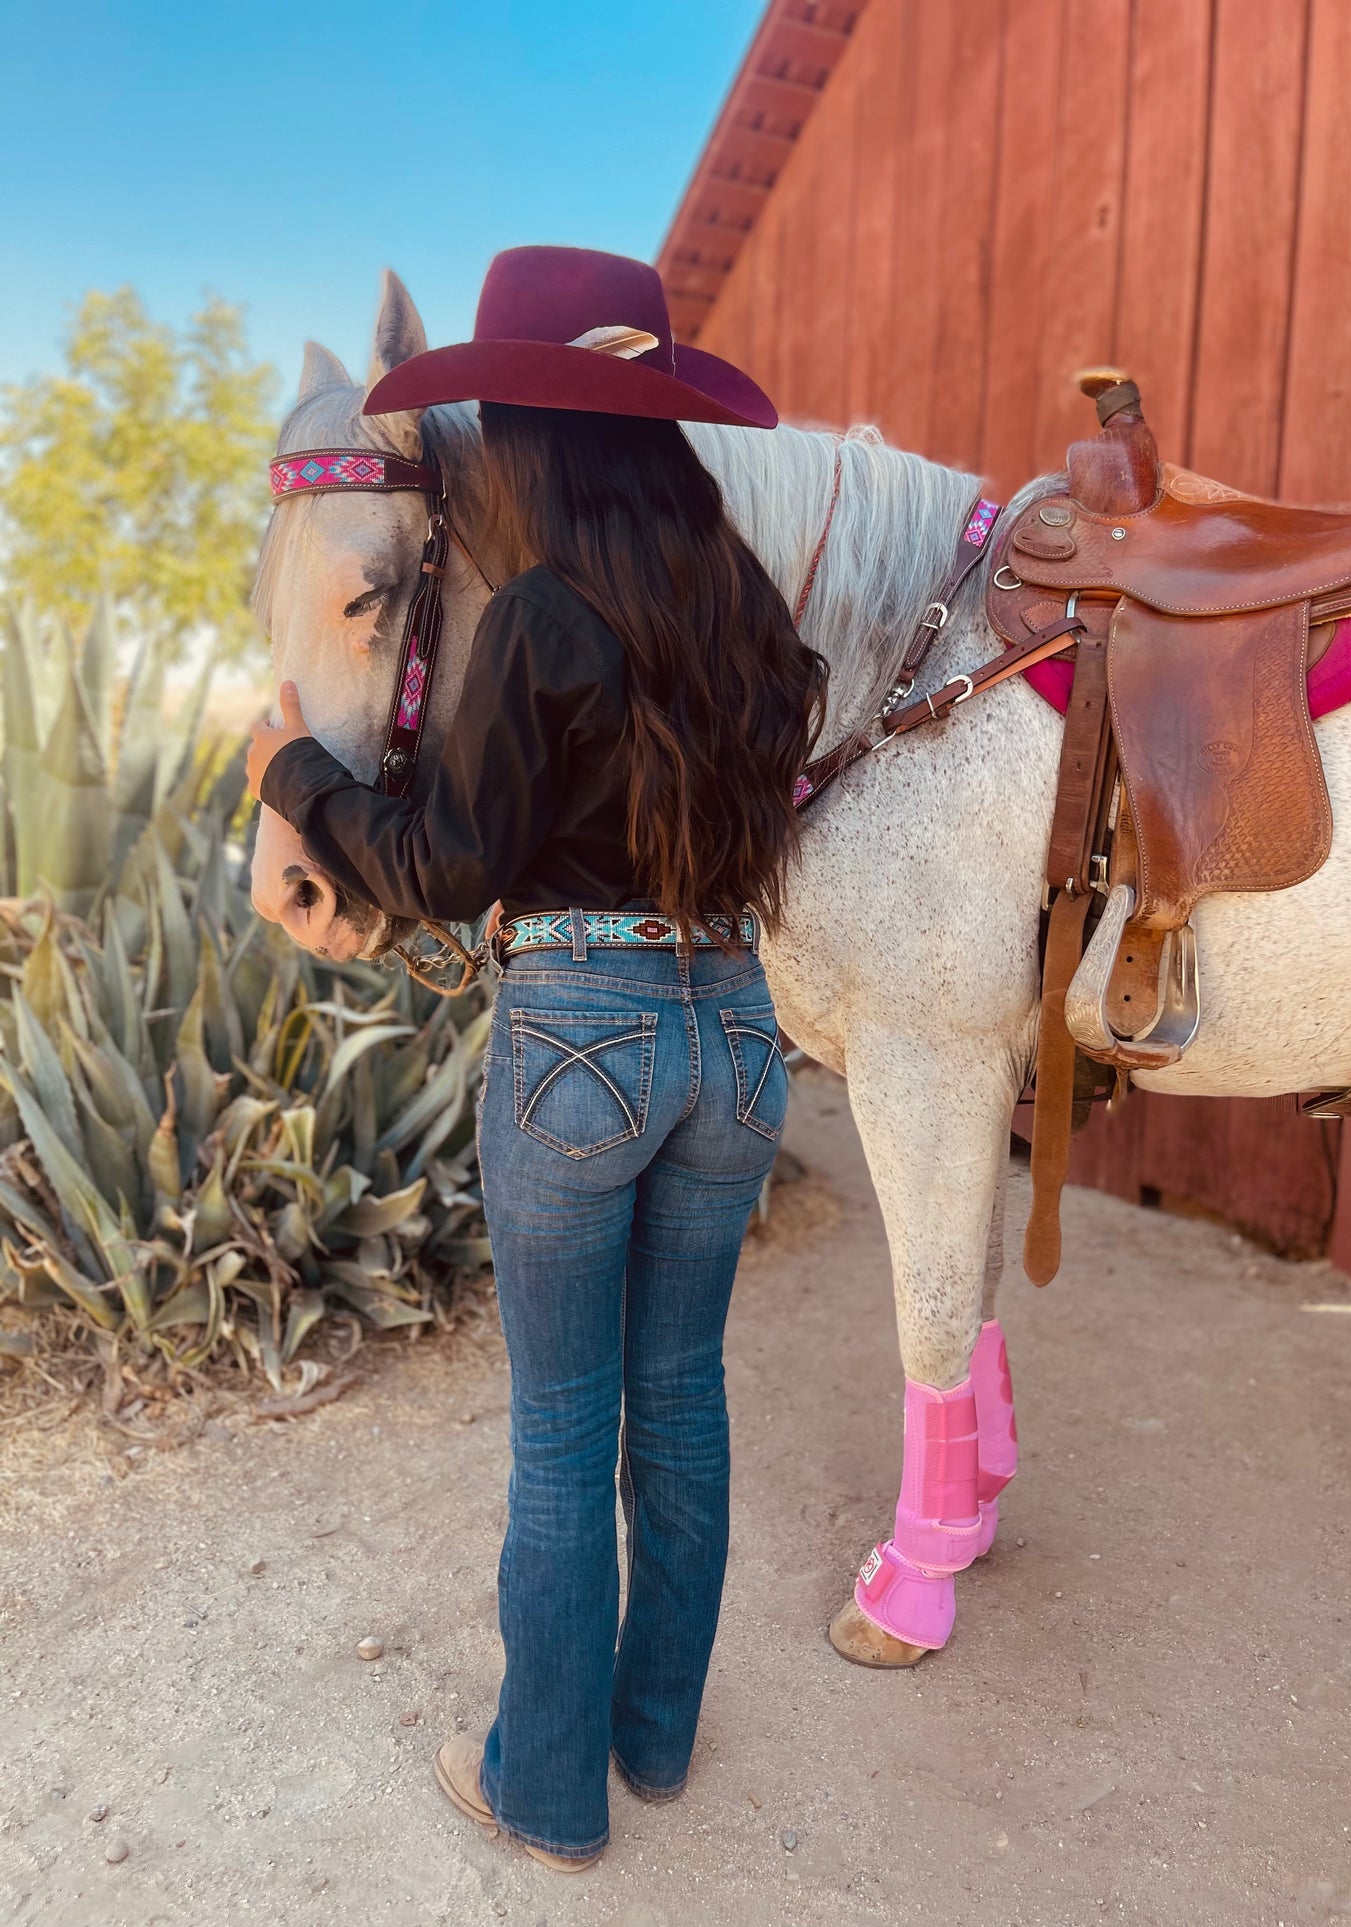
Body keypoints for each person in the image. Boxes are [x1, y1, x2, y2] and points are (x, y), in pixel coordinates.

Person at [248, 247, 826, 1872]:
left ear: (528, 436)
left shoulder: (540, 621)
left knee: (564, 1431)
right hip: (734, 1028)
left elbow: (441, 867)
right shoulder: (746, 613)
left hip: (581, 1034)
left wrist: (290, 762)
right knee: (682, 1403)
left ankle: (545, 1787)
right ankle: (649, 1741)